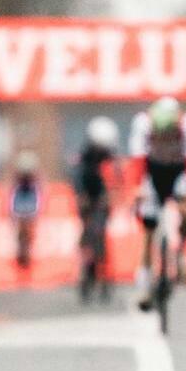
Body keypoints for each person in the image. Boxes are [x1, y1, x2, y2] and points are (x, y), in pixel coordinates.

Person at [128, 96, 186, 310]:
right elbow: (138, 160)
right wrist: (137, 188)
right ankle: (143, 284)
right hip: (153, 172)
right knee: (149, 230)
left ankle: (180, 253)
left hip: (178, 171)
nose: (164, 137)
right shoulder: (142, 124)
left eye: (169, 133)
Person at [75, 116, 119, 303]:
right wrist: (81, 197)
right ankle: (86, 269)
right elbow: (77, 178)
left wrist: (112, 195)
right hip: (87, 201)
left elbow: (116, 178)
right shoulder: (84, 156)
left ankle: (103, 274)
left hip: (102, 202)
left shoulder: (110, 157)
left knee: (100, 235)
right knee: (86, 236)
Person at [7, 151, 42, 272]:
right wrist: (13, 214)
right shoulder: (17, 186)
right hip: (20, 208)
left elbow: (39, 199)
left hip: (30, 208)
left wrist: (35, 213)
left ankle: (27, 253)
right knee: (21, 232)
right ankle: (20, 253)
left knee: (29, 232)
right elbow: (12, 201)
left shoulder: (35, 186)